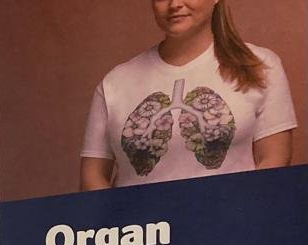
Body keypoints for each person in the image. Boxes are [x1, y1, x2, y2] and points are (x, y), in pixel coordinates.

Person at [80, 0, 296, 190]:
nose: (175, 4)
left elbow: (273, 161)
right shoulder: (114, 83)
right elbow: (92, 176)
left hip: (234, 225)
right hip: (144, 231)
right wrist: (123, 228)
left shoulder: (259, 66)